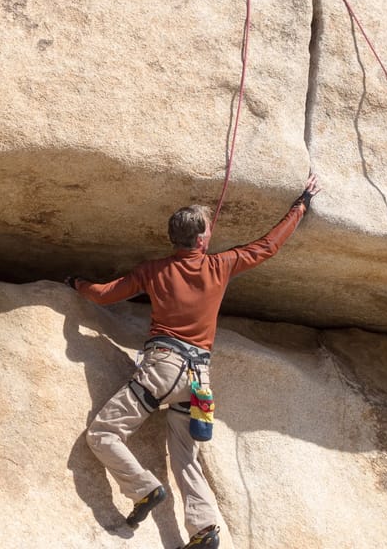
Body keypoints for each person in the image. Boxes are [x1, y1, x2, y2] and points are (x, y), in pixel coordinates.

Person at [68, 174, 321, 548]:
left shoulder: (153, 270)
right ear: (202, 238)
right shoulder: (220, 265)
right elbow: (268, 247)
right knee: (186, 456)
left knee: (103, 433)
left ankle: (144, 488)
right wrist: (300, 205)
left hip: (163, 368)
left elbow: (105, 295)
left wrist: (76, 283)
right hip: (198, 381)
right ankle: (203, 529)